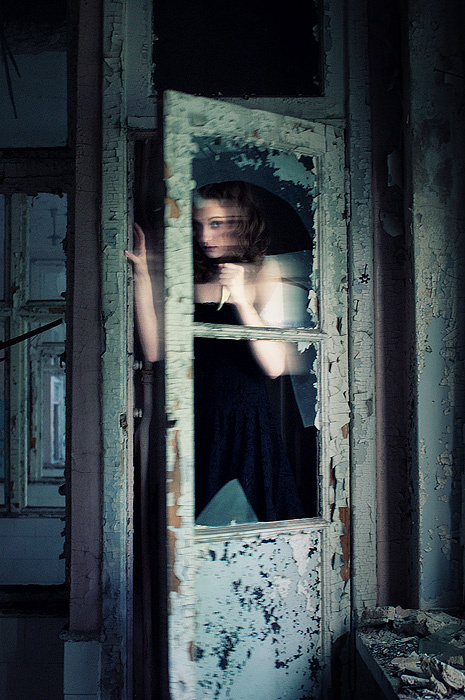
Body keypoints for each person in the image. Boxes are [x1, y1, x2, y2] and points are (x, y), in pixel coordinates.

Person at [126, 181, 305, 522]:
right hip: (195, 415)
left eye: (216, 224)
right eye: (198, 225)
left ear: (241, 223)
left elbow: (274, 365)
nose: (205, 236)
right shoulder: (189, 276)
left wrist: (241, 299)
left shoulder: (267, 270)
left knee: (257, 525)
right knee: (193, 523)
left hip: (246, 421)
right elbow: (154, 349)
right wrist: (143, 274)